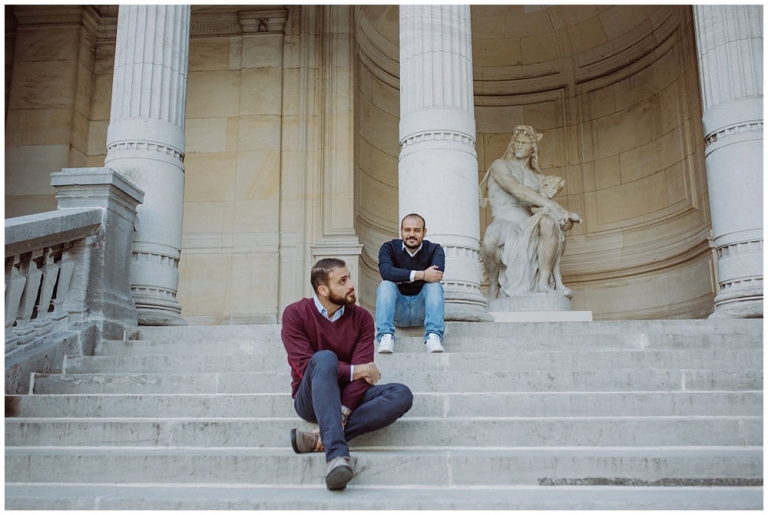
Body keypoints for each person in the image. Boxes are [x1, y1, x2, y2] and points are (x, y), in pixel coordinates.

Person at [281, 258, 413, 491]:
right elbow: (304, 366)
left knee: (401, 394)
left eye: (349, 277)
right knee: (323, 358)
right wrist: (354, 370)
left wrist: (343, 410)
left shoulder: (361, 318)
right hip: (311, 398)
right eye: (343, 281)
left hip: (350, 397)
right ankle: (336, 457)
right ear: (323, 290)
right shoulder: (295, 315)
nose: (352, 284)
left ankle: (319, 439)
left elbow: (365, 376)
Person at [479, 125, 581, 301]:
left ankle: (543, 282)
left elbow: (543, 208)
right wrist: (555, 208)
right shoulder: (500, 165)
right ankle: (494, 282)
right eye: (516, 142)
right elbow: (516, 189)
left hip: (527, 223)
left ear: (533, 147)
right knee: (489, 243)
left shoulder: (539, 178)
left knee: (549, 223)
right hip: (503, 220)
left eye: (524, 143)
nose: (518, 146)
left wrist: (565, 220)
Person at [375, 213, 446, 354]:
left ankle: (433, 336)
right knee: (386, 285)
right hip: (397, 311)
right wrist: (422, 274)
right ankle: (385, 336)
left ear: (424, 232)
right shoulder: (388, 248)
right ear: (401, 231)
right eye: (407, 230)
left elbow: (436, 275)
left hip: (422, 310)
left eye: (416, 230)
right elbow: (386, 272)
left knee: (434, 286)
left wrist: (401, 275)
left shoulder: (435, 249)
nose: (411, 234)